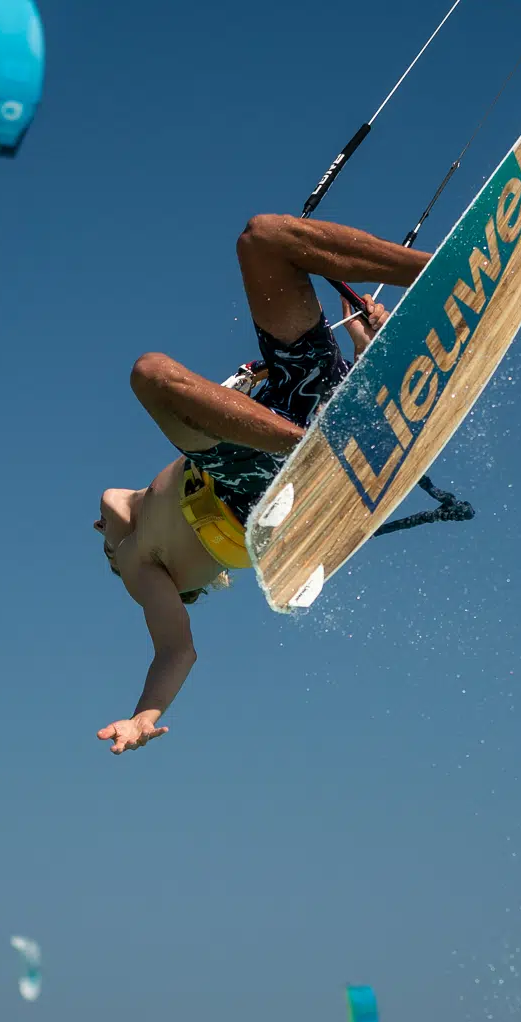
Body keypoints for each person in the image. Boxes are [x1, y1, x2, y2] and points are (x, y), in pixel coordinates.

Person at [94, 214, 429, 755]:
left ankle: (431, 273)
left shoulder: (127, 506)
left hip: (284, 412)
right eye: (106, 547)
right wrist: (142, 717)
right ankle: (315, 446)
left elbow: (112, 501)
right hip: (254, 484)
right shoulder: (139, 563)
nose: (102, 539)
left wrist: (366, 353)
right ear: (185, 586)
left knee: (263, 236)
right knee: (149, 373)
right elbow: (175, 650)